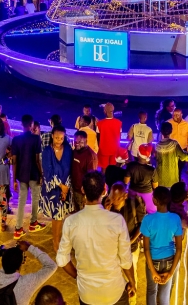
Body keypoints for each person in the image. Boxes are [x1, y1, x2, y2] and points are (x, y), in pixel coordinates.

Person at [56, 171, 136, 305]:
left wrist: (79, 276)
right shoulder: (117, 220)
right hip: (114, 292)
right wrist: (132, 282)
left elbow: (62, 260)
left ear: (83, 190)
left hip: (87, 295)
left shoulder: (71, 222)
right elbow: (126, 260)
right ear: (105, 189)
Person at [140, 187, 185, 305]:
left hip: (153, 260)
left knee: (151, 291)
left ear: (154, 201)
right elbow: (179, 249)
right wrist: (170, 273)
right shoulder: (175, 218)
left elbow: (146, 249)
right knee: (165, 293)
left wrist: (154, 272)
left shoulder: (148, 220)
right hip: (170, 260)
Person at [0, 240, 58, 305]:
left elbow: (7, 266)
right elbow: (51, 266)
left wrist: (12, 257)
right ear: (20, 264)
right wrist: (29, 247)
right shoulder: (26, 283)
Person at [10, 115, 45, 239]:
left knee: (21, 201)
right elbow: (37, 160)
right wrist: (42, 174)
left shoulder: (16, 140)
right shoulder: (36, 139)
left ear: (21, 124)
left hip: (21, 174)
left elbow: (14, 160)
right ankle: (33, 223)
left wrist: (14, 179)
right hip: (34, 173)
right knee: (35, 198)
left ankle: (18, 229)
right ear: (32, 125)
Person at [40, 126, 73, 254]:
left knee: (61, 216)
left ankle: (59, 239)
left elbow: (70, 168)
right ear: (52, 136)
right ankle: (56, 242)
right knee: (57, 216)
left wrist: (66, 188)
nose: (59, 140)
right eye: (57, 137)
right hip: (53, 188)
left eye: (61, 138)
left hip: (66, 186)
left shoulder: (68, 150)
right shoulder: (47, 151)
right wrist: (61, 186)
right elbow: (47, 172)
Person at [103, 182, 146, 277]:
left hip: (131, 249)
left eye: (115, 198)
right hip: (113, 250)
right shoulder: (106, 204)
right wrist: (105, 213)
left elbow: (143, 224)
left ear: (124, 197)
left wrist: (131, 240)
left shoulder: (134, 203)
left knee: (130, 277)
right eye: (110, 196)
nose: (112, 200)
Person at [153, 122, 188, 190]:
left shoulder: (157, 145)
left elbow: (156, 159)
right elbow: (184, 156)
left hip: (160, 179)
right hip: (172, 180)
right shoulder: (174, 144)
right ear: (171, 131)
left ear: (161, 131)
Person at [124, 144, 156, 214]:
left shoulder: (131, 165)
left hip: (133, 193)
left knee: (131, 212)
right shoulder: (152, 170)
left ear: (138, 154)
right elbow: (155, 187)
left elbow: (126, 181)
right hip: (147, 196)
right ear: (149, 156)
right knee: (153, 213)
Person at [70, 132, 98, 211]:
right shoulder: (75, 151)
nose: (77, 144)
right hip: (74, 189)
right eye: (75, 142)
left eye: (80, 142)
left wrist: (86, 195)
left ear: (86, 141)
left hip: (82, 193)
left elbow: (91, 178)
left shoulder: (90, 156)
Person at [96, 103, 122, 170]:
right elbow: (120, 137)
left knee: (104, 169)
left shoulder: (100, 123)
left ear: (104, 111)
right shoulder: (119, 123)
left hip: (103, 149)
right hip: (115, 149)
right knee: (113, 169)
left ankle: (104, 180)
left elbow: (98, 138)